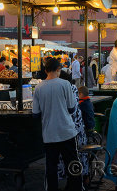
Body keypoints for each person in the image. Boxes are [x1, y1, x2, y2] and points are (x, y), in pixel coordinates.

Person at [32, 58, 84, 191]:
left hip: (49, 133)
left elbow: (36, 114)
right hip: (66, 131)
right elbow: (72, 108)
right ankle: (76, 188)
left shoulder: (38, 88)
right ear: (58, 69)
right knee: (72, 163)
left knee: (51, 166)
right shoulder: (65, 84)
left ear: (45, 70)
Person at [59, 71, 89, 188]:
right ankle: (82, 178)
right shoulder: (72, 88)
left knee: (73, 156)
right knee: (78, 155)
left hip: (71, 128)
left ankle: (76, 182)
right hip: (77, 126)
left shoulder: (68, 88)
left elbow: (70, 108)